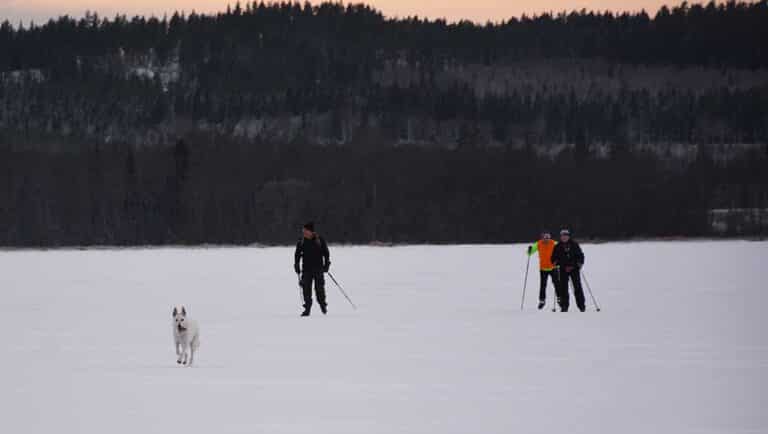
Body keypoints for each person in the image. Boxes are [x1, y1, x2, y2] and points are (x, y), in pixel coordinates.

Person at [294, 222, 331, 317]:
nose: (304, 232)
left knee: (319, 289)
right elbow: (297, 254)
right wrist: (297, 265)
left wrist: (327, 264)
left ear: (311, 231)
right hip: (306, 269)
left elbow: (326, 253)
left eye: (305, 231)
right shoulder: (301, 241)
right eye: (303, 231)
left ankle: (323, 305)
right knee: (306, 289)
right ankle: (307, 308)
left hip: (318, 269)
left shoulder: (319, 240)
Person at [550, 229, 586, 312]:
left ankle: (581, 306)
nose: (564, 237)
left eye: (566, 236)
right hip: (563, 269)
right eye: (563, 236)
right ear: (561, 237)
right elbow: (553, 258)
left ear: (569, 236)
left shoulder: (574, 245)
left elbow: (580, 255)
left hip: (574, 269)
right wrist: (554, 262)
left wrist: (580, 262)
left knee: (577, 287)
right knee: (563, 288)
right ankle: (564, 306)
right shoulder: (557, 246)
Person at [527, 230, 558, 310]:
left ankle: (560, 298)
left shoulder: (554, 243)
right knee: (543, 285)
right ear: (542, 237)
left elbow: (562, 250)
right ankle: (542, 301)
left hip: (553, 267)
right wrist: (529, 250)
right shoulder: (539, 243)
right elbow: (529, 253)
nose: (546, 239)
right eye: (545, 237)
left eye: (548, 237)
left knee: (557, 283)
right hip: (543, 268)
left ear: (550, 237)